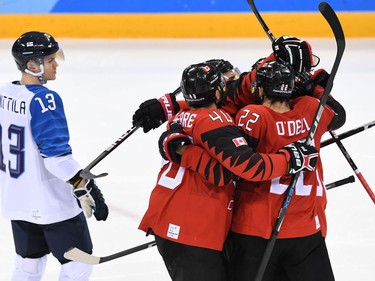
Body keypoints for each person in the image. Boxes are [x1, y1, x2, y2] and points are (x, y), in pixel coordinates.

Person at [139, 62, 319, 281]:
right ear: (216, 91)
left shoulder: (180, 117)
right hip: (193, 230)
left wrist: (181, 146)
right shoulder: (217, 121)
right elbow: (232, 172)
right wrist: (290, 160)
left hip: (170, 220)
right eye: (228, 82)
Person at [0, 31, 109, 281]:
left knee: (28, 265)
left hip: (16, 199)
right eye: (49, 60)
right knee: (78, 263)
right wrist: (86, 184)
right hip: (52, 205)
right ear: (32, 64)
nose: (55, 64)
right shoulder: (44, 99)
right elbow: (56, 159)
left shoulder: (5, 92)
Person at [226, 61, 345, 281]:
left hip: (255, 229)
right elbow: (339, 115)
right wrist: (316, 87)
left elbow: (237, 165)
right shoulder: (310, 108)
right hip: (306, 230)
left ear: (260, 89)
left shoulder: (253, 114)